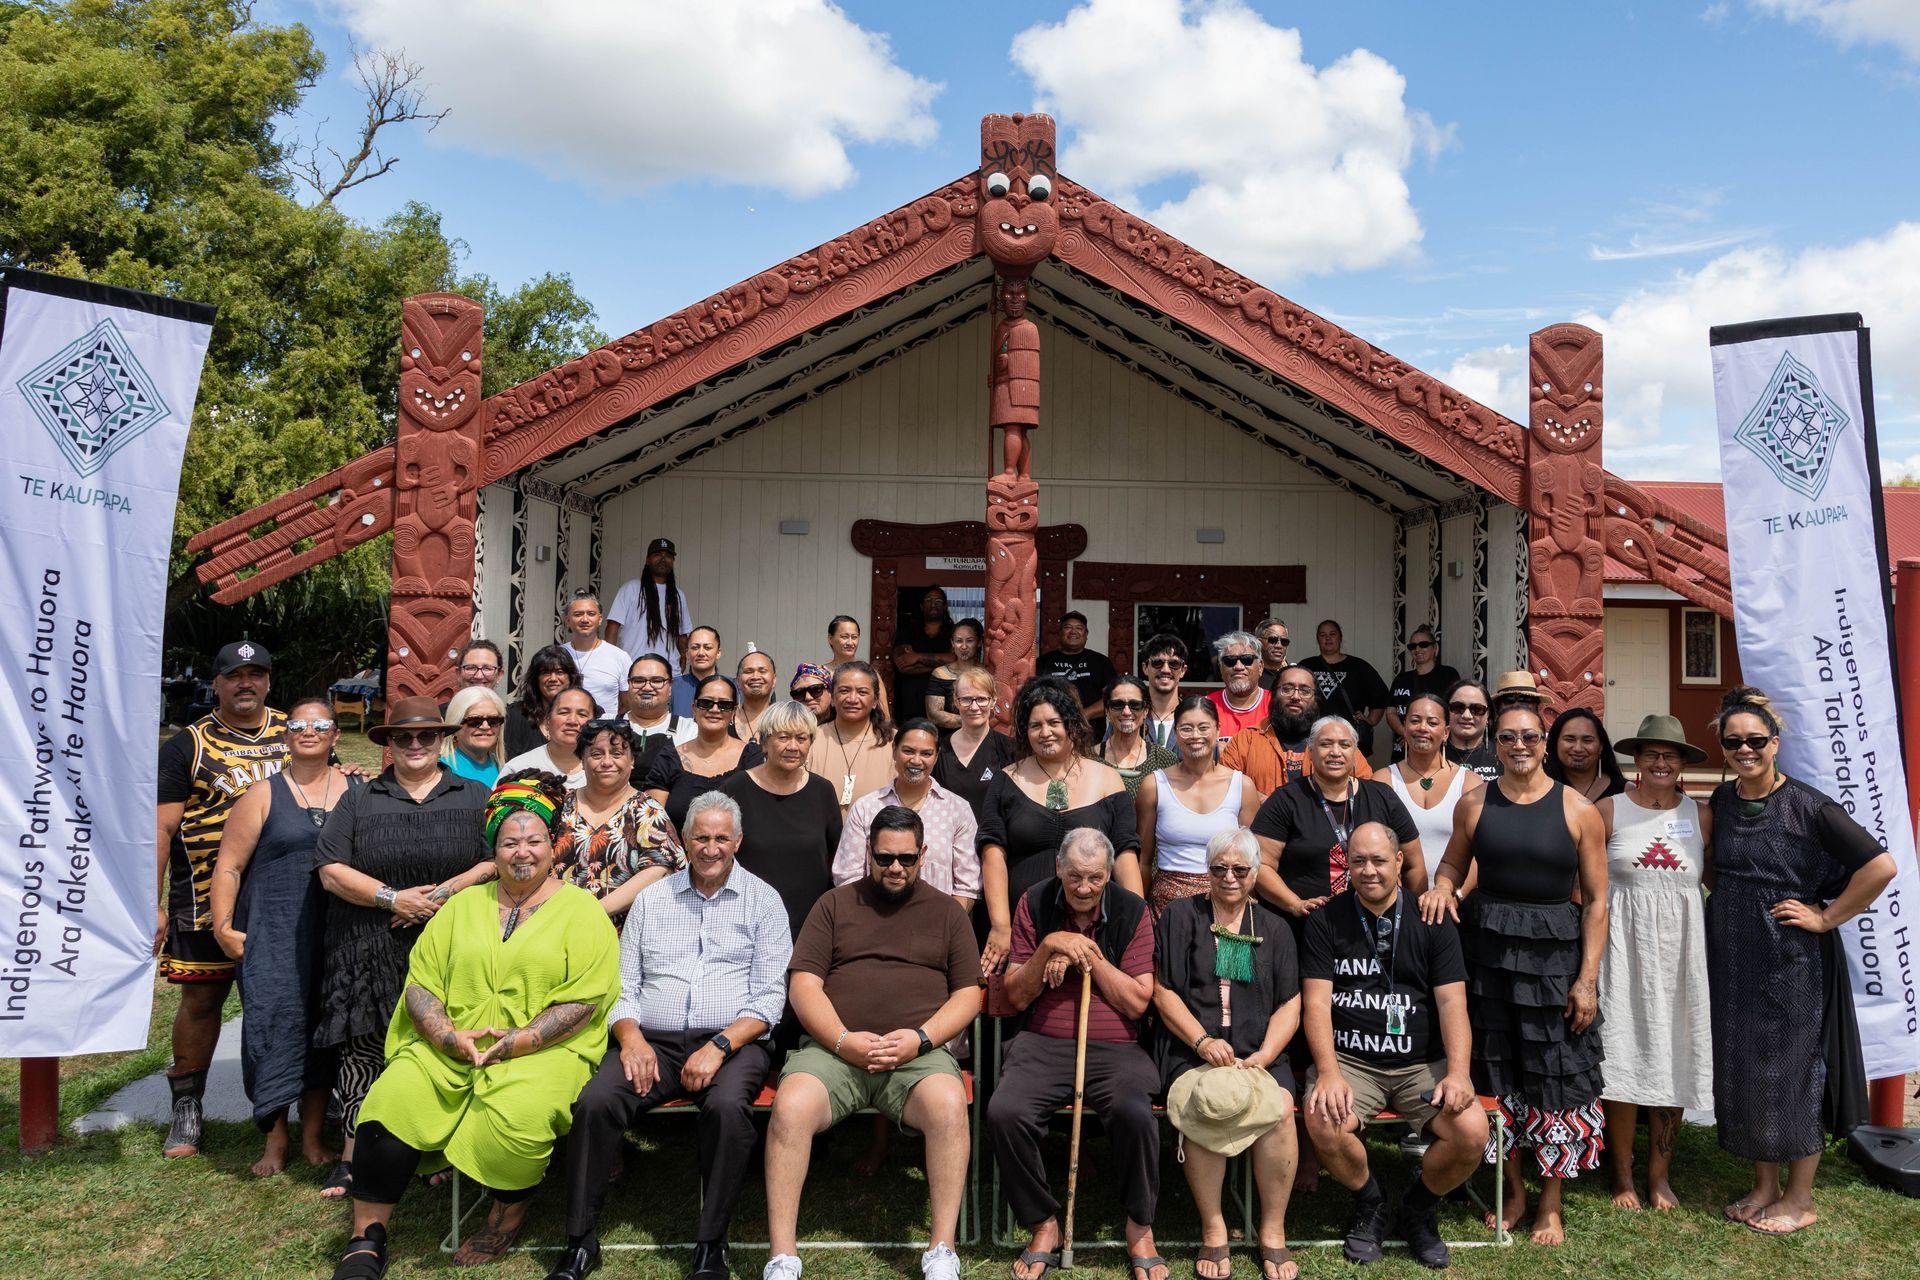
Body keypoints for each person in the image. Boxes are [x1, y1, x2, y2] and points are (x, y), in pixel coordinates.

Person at [322, 773, 620, 1273]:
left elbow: (585, 1002)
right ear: (494, 850)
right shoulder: (460, 907)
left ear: (554, 846)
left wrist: (518, 1042)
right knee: (392, 1103)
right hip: (447, 1045)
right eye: (509, 842)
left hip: (544, 1052)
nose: (521, 852)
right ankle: (366, 1237)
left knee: (518, 1116)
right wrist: (445, 1035)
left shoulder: (583, 912)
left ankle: (504, 1219)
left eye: (533, 840)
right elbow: (420, 984)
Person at [549, 791, 792, 1280]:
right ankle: (579, 1241)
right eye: (700, 836)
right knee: (595, 1101)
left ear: (738, 842)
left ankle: (711, 1245)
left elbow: (769, 999)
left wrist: (720, 1045)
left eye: (722, 837)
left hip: (731, 1042)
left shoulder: (765, 901)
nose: (710, 847)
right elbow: (624, 987)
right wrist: (631, 1039)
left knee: (727, 1111)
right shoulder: (652, 899)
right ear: (683, 839)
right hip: (651, 1041)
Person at [761, 806, 981, 1280]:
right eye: (884, 858)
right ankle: (782, 1255)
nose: (895, 868)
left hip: (915, 1057)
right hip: (834, 1051)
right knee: (792, 1107)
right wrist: (842, 1041)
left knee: (948, 1105)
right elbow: (803, 984)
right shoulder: (834, 904)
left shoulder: (948, 912)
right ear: (867, 852)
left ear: (924, 853)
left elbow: (969, 993)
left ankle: (941, 1249)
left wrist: (921, 1039)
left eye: (905, 858)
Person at [1705, 686, 1894, 1236]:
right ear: (1722, 747)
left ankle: (1800, 1197)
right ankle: (1765, 1185)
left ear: (1775, 743)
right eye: (1734, 741)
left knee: (1792, 1071)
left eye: (1755, 741)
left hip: (1790, 960)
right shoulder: (1723, 801)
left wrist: (1827, 916)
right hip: (1734, 957)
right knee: (1745, 1067)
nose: (1745, 750)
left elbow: (1880, 866)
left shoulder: (1811, 806)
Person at [1417, 703, 1608, 1246]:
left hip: (1555, 958)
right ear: (1494, 744)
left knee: (1553, 1073)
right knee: (1496, 1070)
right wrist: (1443, 886)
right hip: (1488, 954)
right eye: (1507, 737)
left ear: (1544, 743)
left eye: (1528, 736)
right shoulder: (1475, 803)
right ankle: (1514, 1189)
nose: (1518, 745)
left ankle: (1551, 1202)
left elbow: (1596, 902)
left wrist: (1587, 978)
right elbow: (1454, 864)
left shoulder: (1578, 810)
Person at [312, 698, 497, 1202]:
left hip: (449, 949)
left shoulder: (476, 795)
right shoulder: (359, 798)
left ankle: (437, 1152)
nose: (415, 746)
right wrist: (394, 898)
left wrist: (435, 898)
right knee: (366, 1049)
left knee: (443, 1046)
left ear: (443, 741)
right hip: (369, 945)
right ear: (387, 744)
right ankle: (353, 1159)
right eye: (403, 738)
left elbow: (495, 860)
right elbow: (331, 869)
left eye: (426, 737)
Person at [1302, 822, 1485, 1270]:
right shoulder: (1327, 918)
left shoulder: (1431, 919)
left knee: (1472, 1132)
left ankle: (1418, 1207)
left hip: (1420, 1063)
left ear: (1400, 861)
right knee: (1324, 1120)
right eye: (1358, 861)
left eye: (1379, 860)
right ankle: (1372, 1203)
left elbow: (1451, 1004)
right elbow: (1317, 1005)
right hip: (1351, 1061)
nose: (1368, 871)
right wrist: (1327, 1072)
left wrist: (1459, 1073)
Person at [993, 829, 1165, 1280]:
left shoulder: (1132, 910)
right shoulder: (1034, 901)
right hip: (1042, 1043)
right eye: (1074, 877)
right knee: (1006, 1111)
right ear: (1058, 869)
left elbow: (1137, 1002)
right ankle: (1043, 1223)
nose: (1084, 888)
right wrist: (1051, 945)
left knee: (1134, 1114)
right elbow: (1014, 995)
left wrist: (1088, 955)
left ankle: (1140, 1226)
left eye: (1094, 878)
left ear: (1109, 873)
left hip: (1117, 1048)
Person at [154, 640, 291, 1158]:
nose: (246, 683)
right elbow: (163, 828)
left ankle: (284, 1108)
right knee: (202, 1000)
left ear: (269, 681)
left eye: (256, 674)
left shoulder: (291, 732)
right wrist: (155, 902)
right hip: (203, 896)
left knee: (284, 1003)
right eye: (235, 675)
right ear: (217, 683)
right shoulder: (187, 744)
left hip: (281, 896)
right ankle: (188, 1107)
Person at [1153, 827, 1302, 1280]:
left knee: (1279, 1108)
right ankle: (1214, 1229)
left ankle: (1272, 1232)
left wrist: (1264, 1054)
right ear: (1208, 871)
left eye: (1240, 869)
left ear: (1256, 874)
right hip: (1191, 1051)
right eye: (1220, 869)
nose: (1230, 877)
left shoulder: (1275, 928)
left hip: (1260, 1053)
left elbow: (1290, 1004)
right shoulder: (1180, 917)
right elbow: (1162, 991)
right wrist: (1201, 1040)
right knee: (1209, 1100)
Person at [209, 696, 349, 1178]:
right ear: (286, 737)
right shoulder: (261, 795)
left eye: (320, 724)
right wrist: (223, 926)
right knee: (273, 1025)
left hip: (334, 934)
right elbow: (228, 865)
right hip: (273, 934)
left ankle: (312, 1136)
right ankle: (275, 1137)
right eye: (298, 725)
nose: (308, 731)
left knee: (321, 1028)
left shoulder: (356, 790)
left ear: (335, 736)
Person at [1596, 714, 1713, 1213]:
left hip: (1682, 954)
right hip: (1623, 949)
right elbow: (1589, 887)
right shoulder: (1608, 810)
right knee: (1622, 1055)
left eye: (1671, 754)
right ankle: (1621, 1174)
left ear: (1683, 762)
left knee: (1675, 1055)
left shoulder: (1701, 815)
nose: (1661, 762)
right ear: (1637, 760)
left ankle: (1658, 1174)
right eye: (1651, 754)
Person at [979, 679, 1143, 973]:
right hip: (1025, 928)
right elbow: (993, 851)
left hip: (1094, 925)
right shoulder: (1006, 780)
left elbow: (1125, 853)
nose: (1045, 733)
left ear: (1072, 724)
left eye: (1054, 722)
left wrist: (1138, 921)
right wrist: (1001, 925)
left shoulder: (1107, 779)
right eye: (1034, 725)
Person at [1251, 716, 1424, 930]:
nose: (1335, 752)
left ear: (1355, 754)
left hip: (1374, 927)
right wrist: (1295, 904)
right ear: (1310, 752)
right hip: (1304, 926)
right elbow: (1260, 865)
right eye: (1325, 744)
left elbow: (1413, 865)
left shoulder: (1382, 798)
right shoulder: (1286, 800)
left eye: (1345, 745)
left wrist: (1408, 916)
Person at [724, 701, 843, 940]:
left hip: (809, 925)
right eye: (783, 737)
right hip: (745, 924)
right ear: (764, 742)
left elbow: (836, 858)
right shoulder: (736, 788)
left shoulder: (822, 790)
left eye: (802, 738)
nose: (793, 746)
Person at [835, 719, 980, 912]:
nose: (916, 760)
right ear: (894, 750)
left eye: (926, 753)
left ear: (936, 756)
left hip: (936, 929)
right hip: (875, 926)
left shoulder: (958, 810)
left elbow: (967, 886)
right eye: (908, 751)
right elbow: (848, 879)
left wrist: (943, 928)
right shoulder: (866, 808)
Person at [1138, 698, 1262, 919]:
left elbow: (1252, 859)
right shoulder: (1155, 784)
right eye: (1186, 728)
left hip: (1226, 901)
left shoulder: (1242, 785)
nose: (1196, 736)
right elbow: (1144, 860)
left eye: (1204, 727)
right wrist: (1138, 912)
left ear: (1218, 730)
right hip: (1166, 907)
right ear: (1175, 733)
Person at [553, 719, 685, 921]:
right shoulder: (561, 805)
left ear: (632, 760)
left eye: (617, 754)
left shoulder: (646, 810)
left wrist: (594, 912)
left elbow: (659, 870)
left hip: (622, 936)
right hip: (557, 925)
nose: (607, 762)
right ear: (582, 759)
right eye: (596, 754)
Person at [1222, 665, 1375, 796]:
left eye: (1305, 690)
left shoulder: (1339, 744)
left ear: (1316, 699)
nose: (1295, 696)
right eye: (1287, 689)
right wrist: (1268, 804)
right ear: (1273, 694)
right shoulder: (1245, 742)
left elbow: (1366, 790)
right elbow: (1223, 788)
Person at [647, 675, 765, 833]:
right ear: (694, 708)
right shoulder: (668, 757)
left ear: (733, 712)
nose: (714, 709)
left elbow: (759, 816)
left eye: (724, 704)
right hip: (677, 854)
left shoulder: (751, 758)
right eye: (706, 703)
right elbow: (654, 823)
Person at [1385, 694, 1480, 886]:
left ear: (1446, 732)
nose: (1422, 728)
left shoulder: (1470, 783)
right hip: (1400, 903)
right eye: (1415, 720)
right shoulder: (1384, 780)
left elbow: (1480, 853)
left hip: (1455, 904)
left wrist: (1455, 897)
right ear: (1404, 727)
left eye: (1432, 722)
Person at [806, 660, 894, 814]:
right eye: (844, 691)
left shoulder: (894, 742)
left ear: (875, 701)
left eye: (862, 692)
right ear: (832, 698)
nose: (853, 699)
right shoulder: (811, 739)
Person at [932, 664, 1016, 820]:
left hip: (994, 841)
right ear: (956, 702)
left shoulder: (1009, 749)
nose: (974, 707)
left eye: (982, 699)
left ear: (993, 702)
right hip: (949, 839)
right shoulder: (938, 750)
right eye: (966, 699)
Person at [1297, 620, 1389, 759]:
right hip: (1311, 739)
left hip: (1348, 740)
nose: (1328, 638)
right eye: (1323, 635)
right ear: (1318, 639)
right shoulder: (1306, 666)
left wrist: (1370, 721)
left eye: (1332, 634)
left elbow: (1381, 697)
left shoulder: (1359, 667)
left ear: (1340, 637)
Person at [606, 537, 691, 672]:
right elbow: (612, 627)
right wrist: (610, 660)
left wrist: (683, 657)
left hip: (669, 671)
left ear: (673, 561)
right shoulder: (630, 589)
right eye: (657, 554)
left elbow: (682, 634)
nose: (663, 559)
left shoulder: (678, 595)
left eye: (668, 556)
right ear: (647, 559)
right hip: (632, 668)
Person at [1383, 628, 1460, 763]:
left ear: (1434, 648)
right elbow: (1390, 712)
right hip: (1402, 749)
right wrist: (1405, 732)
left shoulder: (1448, 675)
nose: (1417, 649)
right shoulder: (1401, 679)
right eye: (1412, 646)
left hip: (1436, 747)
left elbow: (1455, 710)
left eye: (1423, 644)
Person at [1036, 611, 1117, 738]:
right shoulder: (1043, 662)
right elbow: (1033, 697)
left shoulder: (1101, 662)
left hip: (1091, 736)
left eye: (1079, 628)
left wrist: (1083, 715)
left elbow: (1113, 699)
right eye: (1068, 627)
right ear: (1060, 633)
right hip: (1051, 733)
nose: (1073, 631)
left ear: (1086, 634)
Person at [1096, 675, 1179, 796]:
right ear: (1107, 711)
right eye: (1118, 704)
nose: (1126, 712)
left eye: (1135, 705)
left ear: (1146, 711)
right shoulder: (1089, 758)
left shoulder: (1165, 760)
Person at [504, 685, 598, 788]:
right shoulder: (519, 768)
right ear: (547, 721)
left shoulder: (606, 769)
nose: (572, 721)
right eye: (564, 712)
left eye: (582, 714)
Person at [561, 589, 633, 723]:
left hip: (603, 734)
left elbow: (627, 704)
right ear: (568, 620)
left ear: (600, 619)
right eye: (578, 614)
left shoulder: (619, 657)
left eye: (591, 614)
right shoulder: (557, 656)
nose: (585, 619)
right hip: (565, 732)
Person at [505, 645, 581, 759]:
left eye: (559, 672)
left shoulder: (589, 713)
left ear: (571, 678)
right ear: (536, 679)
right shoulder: (516, 716)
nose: (553, 678)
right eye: (546, 673)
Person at [893, 585, 956, 721]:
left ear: (945, 606)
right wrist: (944, 664)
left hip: (946, 705)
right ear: (921, 606)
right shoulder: (907, 632)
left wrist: (917, 657)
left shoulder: (954, 632)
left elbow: (956, 659)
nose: (933, 604)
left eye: (938, 601)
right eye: (928, 600)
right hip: (911, 704)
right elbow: (904, 666)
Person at [1545, 707, 1627, 802]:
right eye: (1569, 739)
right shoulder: (1539, 789)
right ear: (1555, 743)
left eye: (1587, 740)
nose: (1578, 748)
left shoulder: (1625, 792)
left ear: (1601, 747)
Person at [624, 651, 698, 755]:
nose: (647, 688)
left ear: (670, 687)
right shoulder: (608, 724)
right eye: (638, 680)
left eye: (657, 681)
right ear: (628, 684)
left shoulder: (689, 730)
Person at [1207, 631, 1271, 745]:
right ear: (1221, 668)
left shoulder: (1276, 705)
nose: (1238, 667)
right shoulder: (1205, 706)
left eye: (1247, 659)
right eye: (1230, 660)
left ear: (1260, 667)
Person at [441, 686, 508, 789]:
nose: (485, 727)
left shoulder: (504, 768)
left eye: (493, 721)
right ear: (455, 728)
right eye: (475, 721)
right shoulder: (441, 769)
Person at [825, 615, 891, 718]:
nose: (850, 642)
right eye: (845, 637)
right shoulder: (820, 673)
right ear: (830, 638)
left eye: (854, 637)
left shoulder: (869, 673)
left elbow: (884, 715)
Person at [925, 618, 984, 730]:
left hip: (981, 738)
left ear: (979, 642)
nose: (964, 646)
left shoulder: (987, 673)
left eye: (970, 640)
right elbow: (933, 714)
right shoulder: (940, 674)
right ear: (952, 643)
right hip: (947, 740)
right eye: (959, 641)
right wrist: (974, 721)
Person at [1441, 679, 1500, 782]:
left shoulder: (1502, 755)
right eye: (1458, 707)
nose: (1466, 716)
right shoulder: (1430, 755)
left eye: (1477, 709)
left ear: (1488, 714)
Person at [1139, 633, 1190, 749]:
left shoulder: (1195, 718)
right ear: (1145, 668)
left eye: (1174, 664)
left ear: (1183, 670)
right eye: (1157, 663)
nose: (1165, 669)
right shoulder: (1129, 715)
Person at [672, 626, 725, 717]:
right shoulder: (672, 687)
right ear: (687, 653)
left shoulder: (731, 687)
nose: (701, 653)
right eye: (695, 647)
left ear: (718, 653)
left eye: (707, 648)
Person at [734, 648, 779, 740]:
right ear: (738, 680)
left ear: (774, 680)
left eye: (763, 671)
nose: (755, 677)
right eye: (748, 671)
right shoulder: (726, 717)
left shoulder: (784, 719)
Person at [788, 661, 835, 726]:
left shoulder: (846, 726)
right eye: (799, 693)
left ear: (831, 694)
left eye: (815, 689)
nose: (808, 697)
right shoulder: (788, 729)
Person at [1255, 618, 1292, 691]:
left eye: (1284, 641)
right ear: (1259, 643)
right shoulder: (1251, 676)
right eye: (1273, 640)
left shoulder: (1292, 675)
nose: (1279, 645)